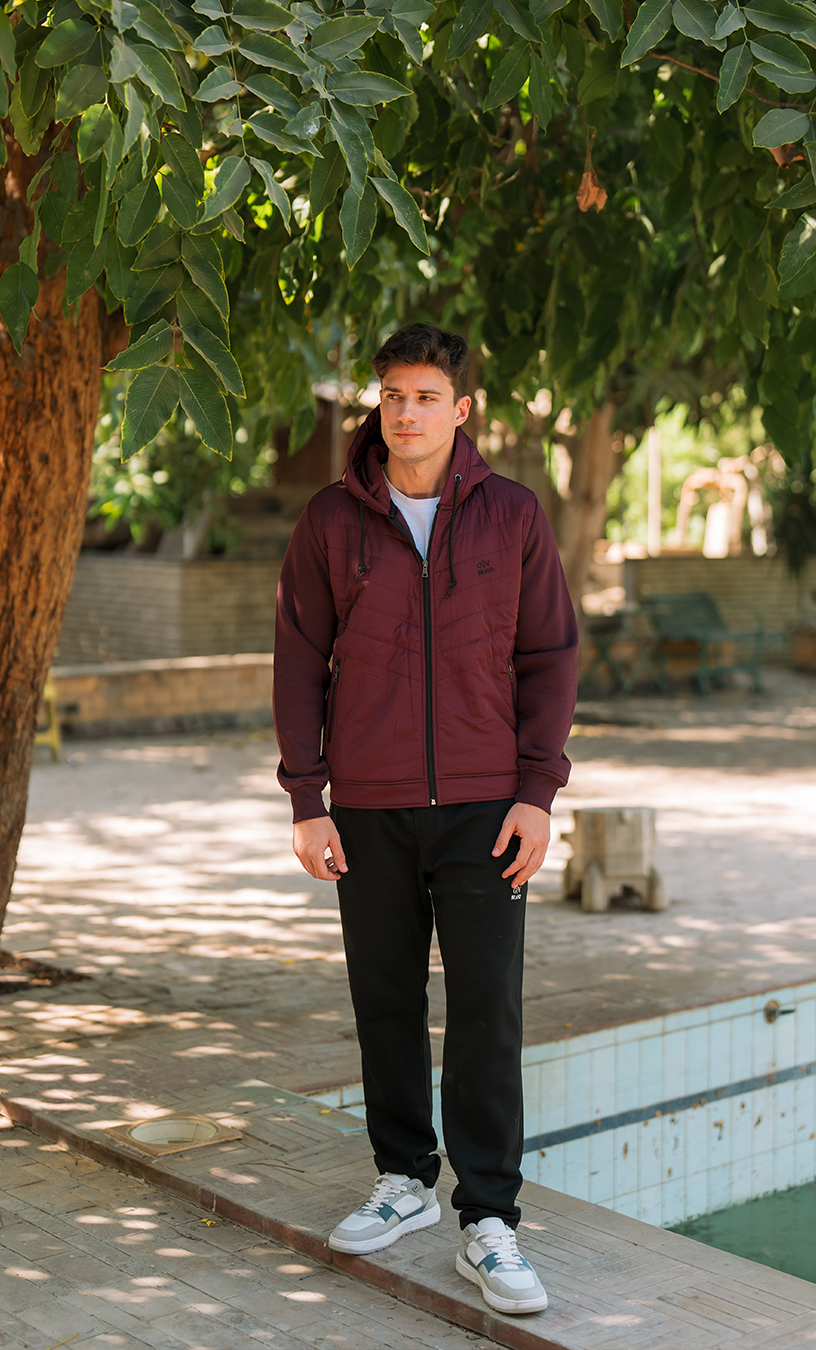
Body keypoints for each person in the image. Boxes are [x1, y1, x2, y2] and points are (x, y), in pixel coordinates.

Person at [273, 323, 578, 1316]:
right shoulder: (331, 520)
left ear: (462, 409)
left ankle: (487, 1221)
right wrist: (307, 799)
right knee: (386, 999)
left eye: (426, 396)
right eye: (393, 394)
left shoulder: (512, 515)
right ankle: (403, 1177)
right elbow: (298, 659)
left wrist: (537, 792)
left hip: (487, 807)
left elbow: (550, 655)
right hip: (368, 805)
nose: (406, 412)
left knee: (487, 1008)